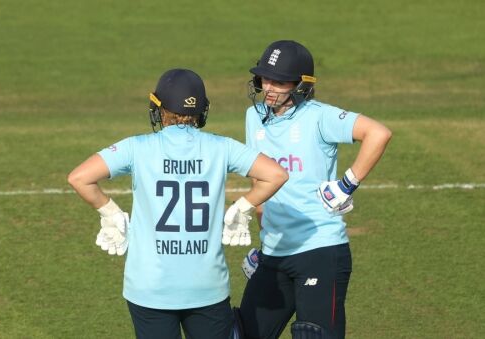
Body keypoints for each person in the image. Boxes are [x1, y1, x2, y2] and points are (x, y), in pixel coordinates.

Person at [67, 68, 288, 339]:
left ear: (158, 108)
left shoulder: (136, 147)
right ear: (202, 110)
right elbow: (276, 174)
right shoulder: (222, 147)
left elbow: (79, 178)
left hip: (149, 288)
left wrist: (110, 213)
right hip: (207, 285)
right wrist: (241, 207)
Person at [235, 40, 392, 338]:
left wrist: (347, 184)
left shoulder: (320, 116)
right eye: (264, 78)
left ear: (300, 84)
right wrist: (265, 243)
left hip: (319, 251)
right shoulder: (252, 117)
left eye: (279, 82)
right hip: (274, 255)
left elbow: (378, 133)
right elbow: (260, 184)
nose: (268, 87)